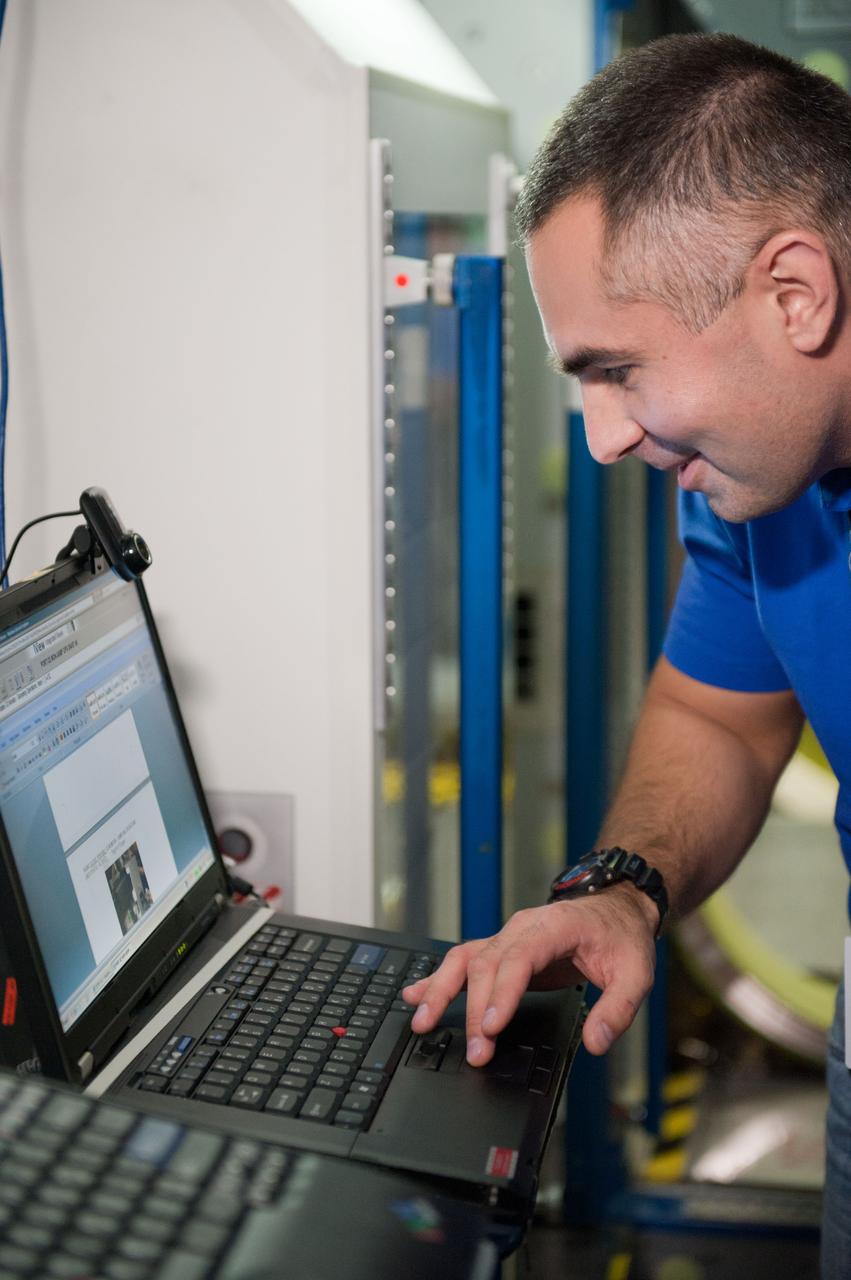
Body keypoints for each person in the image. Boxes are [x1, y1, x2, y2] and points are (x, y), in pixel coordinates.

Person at [401, 32, 851, 1275]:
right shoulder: (752, 481)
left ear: (793, 294)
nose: (601, 438)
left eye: (618, 370)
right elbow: (720, 716)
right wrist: (621, 886)